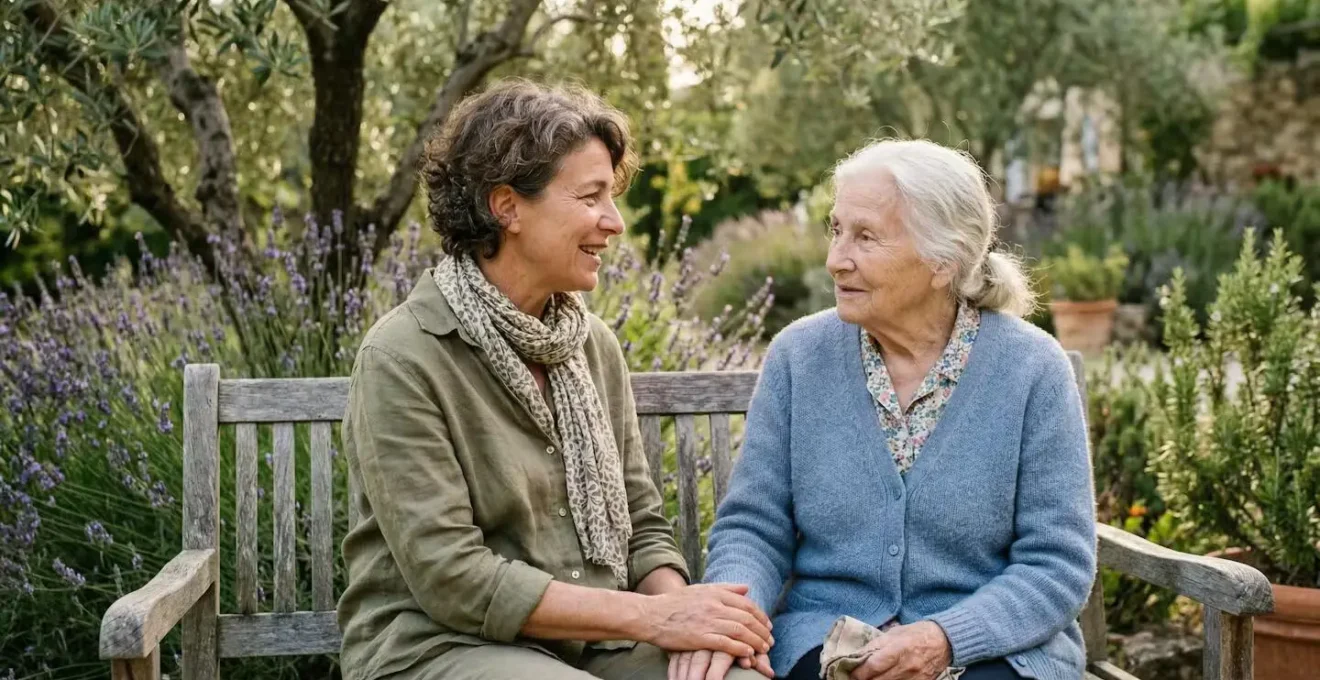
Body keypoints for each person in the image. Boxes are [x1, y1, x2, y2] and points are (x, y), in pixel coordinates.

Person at [336, 80, 774, 680]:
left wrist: (687, 620)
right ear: (507, 206)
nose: (614, 222)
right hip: (438, 646)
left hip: (593, 645)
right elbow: (452, 577)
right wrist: (653, 618)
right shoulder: (403, 356)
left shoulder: (592, 346)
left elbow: (642, 527)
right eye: (591, 197)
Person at [673, 139, 1097, 680]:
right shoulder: (799, 357)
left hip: (991, 650)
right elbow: (755, 528)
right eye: (836, 230)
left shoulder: (1032, 368)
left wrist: (946, 638)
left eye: (866, 237)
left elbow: (1056, 564)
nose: (836, 260)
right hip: (824, 641)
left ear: (942, 262)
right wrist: (731, 621)